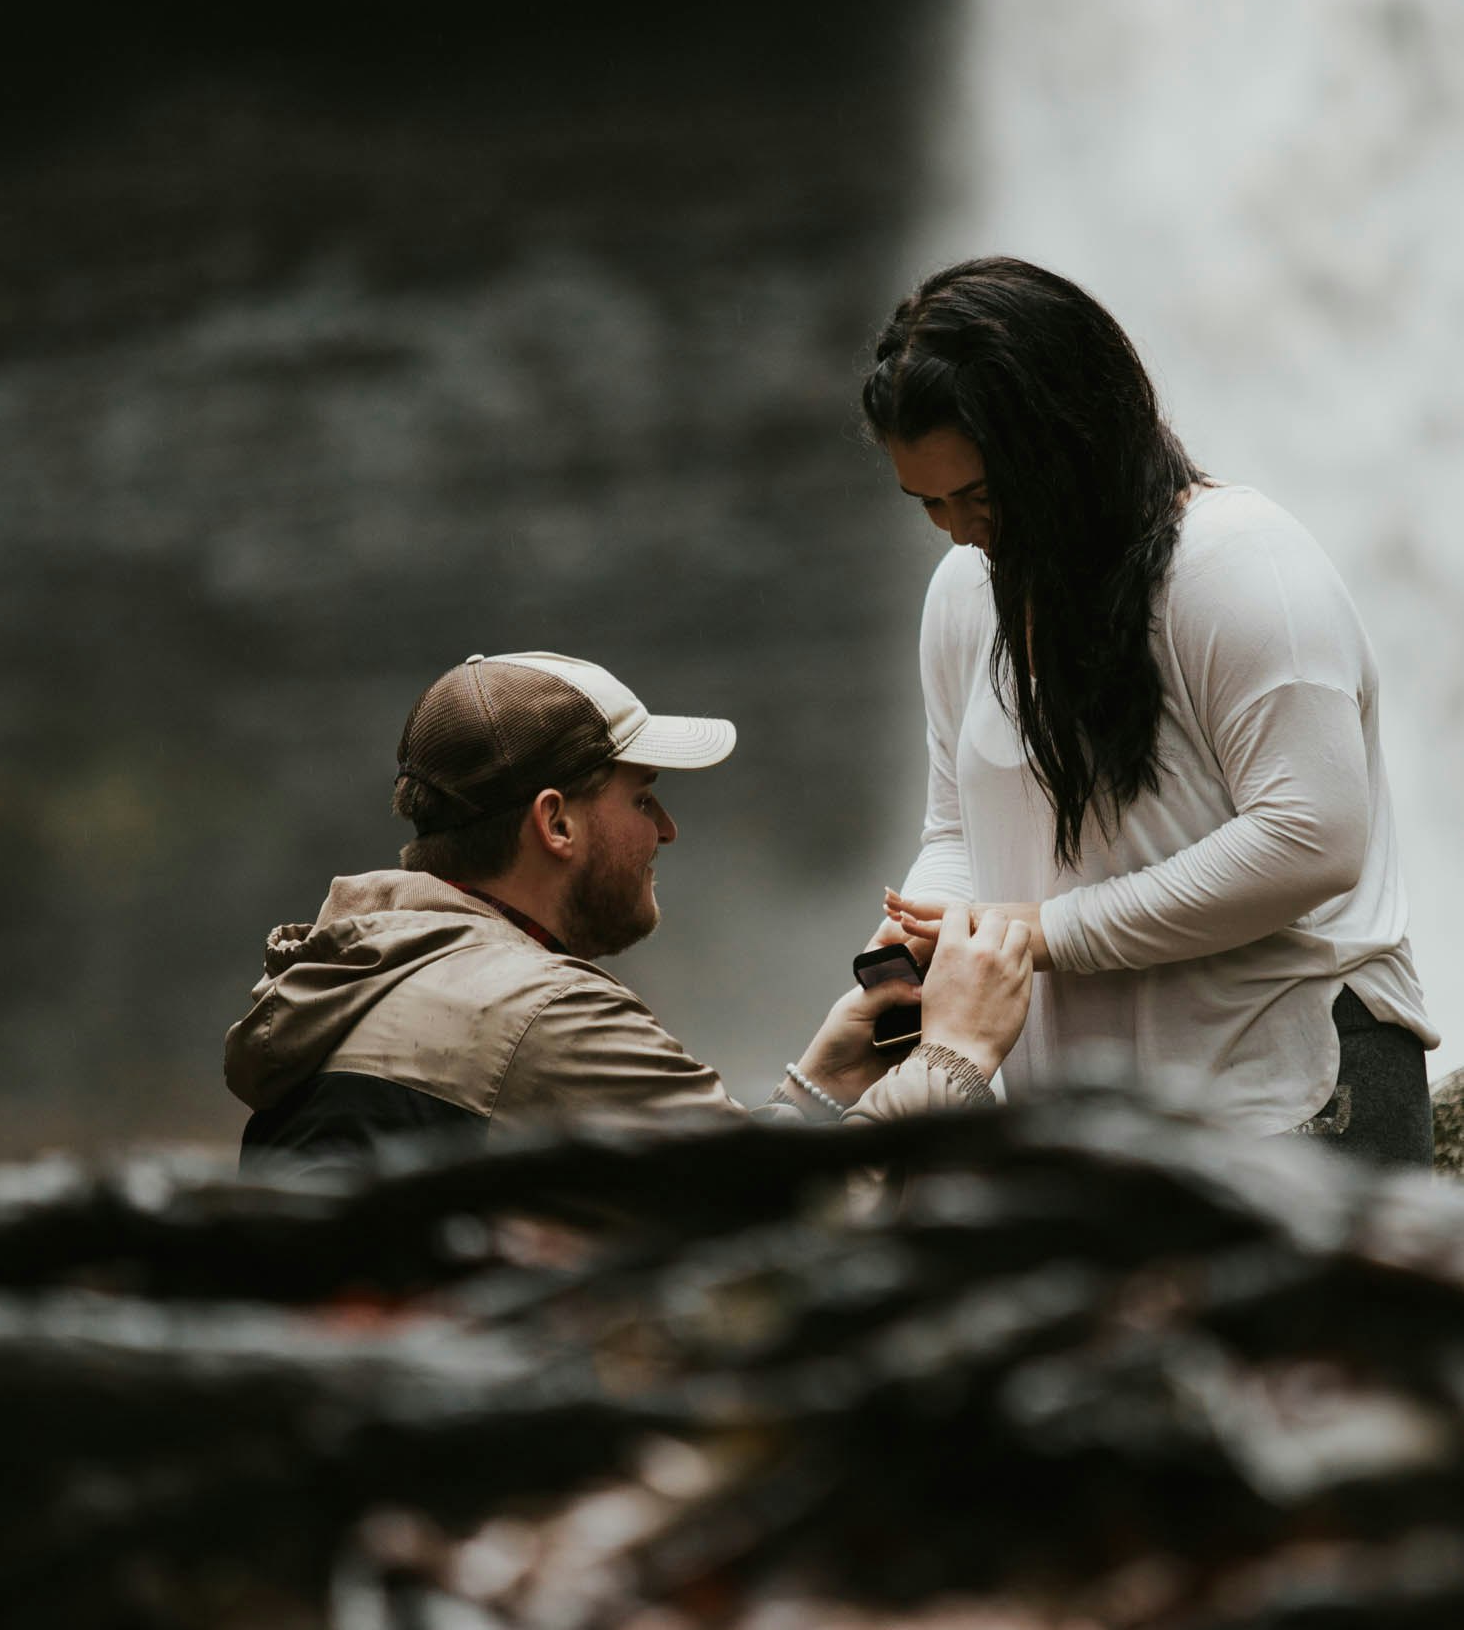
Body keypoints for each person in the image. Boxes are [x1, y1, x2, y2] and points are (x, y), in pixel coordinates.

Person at [862, 257, 1435, 1164]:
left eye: (979, 496)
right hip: (1096, 1136)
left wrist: (1040, 932)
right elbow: (957, 829)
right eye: (926, 502)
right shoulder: (965, 594)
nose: (957, 529)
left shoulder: (1239, 565)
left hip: (1294, 1103)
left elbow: (1312, 838)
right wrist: (925, 936)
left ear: (1068, 441)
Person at [227, 649, 1033, 1173]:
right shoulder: (541, 1015)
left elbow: (696, 1187)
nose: (668, 830)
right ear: (556, 822)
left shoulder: (356, 981)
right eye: (643, 799)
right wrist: (953, 1056)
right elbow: (786, 1227)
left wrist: (824, 1084)